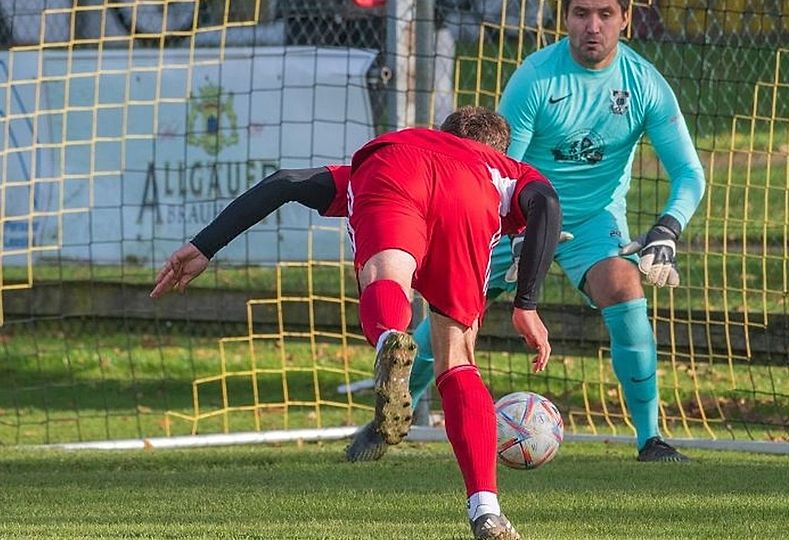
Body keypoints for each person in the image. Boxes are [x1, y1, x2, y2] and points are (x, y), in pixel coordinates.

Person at [151, 106, 562, 540]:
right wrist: (527, 303)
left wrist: (204, 246)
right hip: (470, 193)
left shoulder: (407, 142)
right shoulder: (505, 167)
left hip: (392, 169)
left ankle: (389, 337)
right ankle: (487, 510)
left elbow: (284, 182)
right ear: (498, 147)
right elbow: (548, 206)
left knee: (387, 278)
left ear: (444, 133)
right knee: (457, 359)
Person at [346, 0, 706, 463]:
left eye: (604, 14)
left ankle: (650, 439)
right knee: (453, 318)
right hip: (512, 217)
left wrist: (667, 229)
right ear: (565, 18)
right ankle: (390, 418)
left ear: (625, 19)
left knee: (624, 286)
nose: (591, 26)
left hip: (594, 222)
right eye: (580, 13)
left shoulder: (645, 84)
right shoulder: (536, 78)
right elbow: (495, 168)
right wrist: (517, 236)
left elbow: (690, 175)